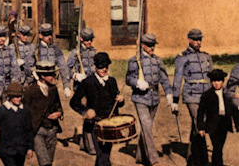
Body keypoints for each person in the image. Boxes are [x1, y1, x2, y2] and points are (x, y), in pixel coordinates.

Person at [125, 34, 172, 166]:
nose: (152, 48)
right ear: (142, 45)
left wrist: (169, 93)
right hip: (140, 98)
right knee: (146, 127)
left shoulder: (157, 60)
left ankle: (141, 156)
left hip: (154, 98)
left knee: (147, 128)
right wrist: (137, 82)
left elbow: (164, 78)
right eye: (149, 45)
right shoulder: (135, 61)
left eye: (153, 45)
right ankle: (153, 160)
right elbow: (128, 79)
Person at [70, 52, 124, 166]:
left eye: (106, 66)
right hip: (95, 124)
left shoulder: (112, 81)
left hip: (110, 124)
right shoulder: (88, 82)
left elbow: (117, 104)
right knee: (101, 154)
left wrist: (121, 100)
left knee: (105, 154)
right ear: (95, 66)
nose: (104, 69)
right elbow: (73, 102)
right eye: (101, 66)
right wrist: (85, 111)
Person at [172, 28, 212, 166]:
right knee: (199, 124)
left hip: (205, 96)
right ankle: (204, 161)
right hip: (192, 96)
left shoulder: (206, 57)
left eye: (200, 39)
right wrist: (174, 100)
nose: (198, 42)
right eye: (195, 40)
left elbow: (212, 78)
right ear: (189, 40)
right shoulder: (182, 57)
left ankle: (191, 158)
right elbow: (177, 79)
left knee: (196, 128)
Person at [197, 69, 239, 166]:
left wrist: (238, 125)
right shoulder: (207, 95)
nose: (216, 83)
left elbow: (234, 111)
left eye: (219, 81)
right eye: (214, 81)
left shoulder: (227, 95)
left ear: (223, 81)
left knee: (219, 147)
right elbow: (200, 112)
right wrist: (201, 127)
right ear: (211, 82)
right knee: (217, 147)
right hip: (212, 124)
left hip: (224, 123)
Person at [24, 61, 63, 166]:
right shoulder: (30, 91)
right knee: (44, 162)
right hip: (38, 131)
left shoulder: (53, 89)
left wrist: (58, 113)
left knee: (49, 161)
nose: (53, 77)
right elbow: (25, 114)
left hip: (52, 130)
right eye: (51, 75)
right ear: (42, 76)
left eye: (54, 74)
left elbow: (58, 106)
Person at [66, 27, 97, 154]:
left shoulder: (94, 52)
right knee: (88, 115)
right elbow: (66, 70)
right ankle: (90, 145)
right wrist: (75, 75)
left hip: (93, 89)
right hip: (80, 89)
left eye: (91, 40)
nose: (89, 42)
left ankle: (84, 143)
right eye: (87, 40)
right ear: (81, 39)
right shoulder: (75, 53)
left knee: (89, 115)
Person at [0, 81, 34, 166]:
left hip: (21, 149)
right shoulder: (2, 110)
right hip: (6, 150)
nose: (19, 99)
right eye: (15, 96)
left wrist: (30, 148)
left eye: (20, 96)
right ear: (9, 96)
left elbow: (29, 130)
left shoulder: (25, 111)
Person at [36, 23, 71, 98]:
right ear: (40, 35)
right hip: (38, 84)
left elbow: (63, 67)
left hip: (52, 83)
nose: (49, 37)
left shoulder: (56, 50)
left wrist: (66, 86)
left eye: (50, 34)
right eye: (46, 34)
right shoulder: (36, 50)